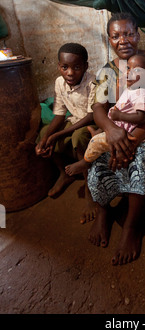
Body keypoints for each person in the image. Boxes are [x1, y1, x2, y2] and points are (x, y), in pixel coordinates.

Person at [87, 12, 145, 265]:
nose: (123, 40)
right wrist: (111, 131)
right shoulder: (106, 70)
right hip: (117, 126)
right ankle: (103, 210)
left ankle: (131, 227)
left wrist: (132, 141)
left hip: (144, 131)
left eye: (129, 33)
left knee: (141, 163)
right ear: (109, 40)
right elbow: (98, 107)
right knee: (98, 160)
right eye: (116, 35)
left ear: (138, 34)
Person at [65, 53, 145, 176]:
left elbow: (141, 117)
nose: (129, 72)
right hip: (117, 124)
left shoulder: (144, 95)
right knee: (99, 132)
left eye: (137, 70)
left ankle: (86, 162)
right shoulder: (130, 88)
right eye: (128, 68)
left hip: (126, 131)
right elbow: (113, 103)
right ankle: (98, 134)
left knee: (95, 143)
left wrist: (119, 116)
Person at [35, 42, 97, 224]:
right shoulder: (60, 82)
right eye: (65, 67)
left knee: (78, 138)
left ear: (85, 66)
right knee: (44, 133)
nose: (70, 72)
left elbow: (91, 116)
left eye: (76, 67)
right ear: (59, 67)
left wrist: (58, 136)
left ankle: (89, 189)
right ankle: (64, 173)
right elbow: (60, 115)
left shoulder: (93, 83)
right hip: (72, 122)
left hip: (90, 124)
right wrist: (47, 138)